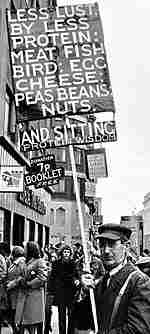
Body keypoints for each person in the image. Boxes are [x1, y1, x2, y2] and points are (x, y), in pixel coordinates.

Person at [82, 223, 150, 334]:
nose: (106, 250)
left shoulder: (139, 282)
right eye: (102, 245)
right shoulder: (101, 281)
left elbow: (138, 330)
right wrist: (84, 291)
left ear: (126, 246)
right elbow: (85, 320)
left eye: (112, 244)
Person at [18, 241, 48, 334]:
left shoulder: (39, 261)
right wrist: (21, 280)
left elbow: (42, 277)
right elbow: (22, 274)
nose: (24, 250)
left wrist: (29, 283)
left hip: (35, 296)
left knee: (32, 321)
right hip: (25, 295)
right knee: (24, 321)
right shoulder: (25, 261)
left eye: (26, 248)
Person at [49, 245, 79, 334]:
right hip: (60, 291)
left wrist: (76, 280)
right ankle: (62, 332)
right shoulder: (56, 263)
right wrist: (52, 290)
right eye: (65, 252)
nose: (66, 254)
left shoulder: (73, 263)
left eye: (68, 252)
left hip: (70, 291)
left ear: (70, 254)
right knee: (61, 314)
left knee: (71, 314)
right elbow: (53, 277)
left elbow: (76, 274)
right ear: (62, 253)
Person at [6, 245, 26, 330]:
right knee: (13, 315)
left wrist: (12, 283)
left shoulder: (21, 262)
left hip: (17, 292)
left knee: (16, 315)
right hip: (13, 292)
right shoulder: (15, 262)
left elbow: (22, 276)